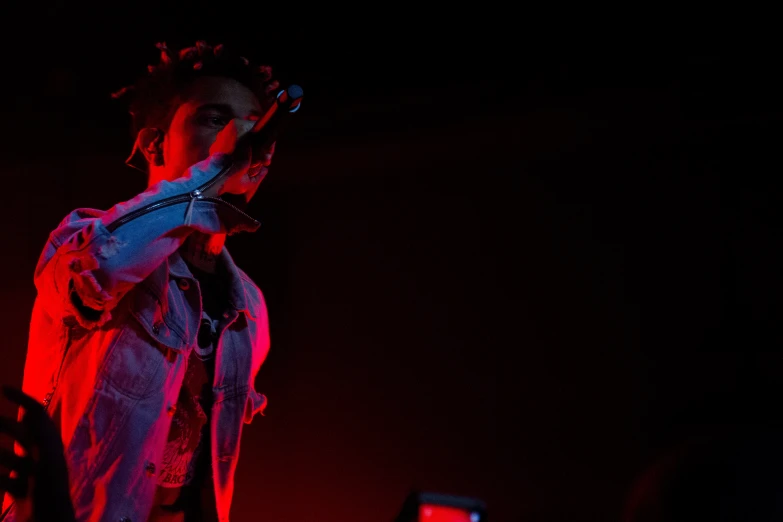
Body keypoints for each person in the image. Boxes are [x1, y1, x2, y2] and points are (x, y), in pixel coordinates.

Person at [2, 41, 279, 521]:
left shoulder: (250, 307)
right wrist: (209, 177)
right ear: (154, 144)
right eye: (216, 120)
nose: (242, 141)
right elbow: (102, 270)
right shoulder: (79, 243)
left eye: (254, 125)